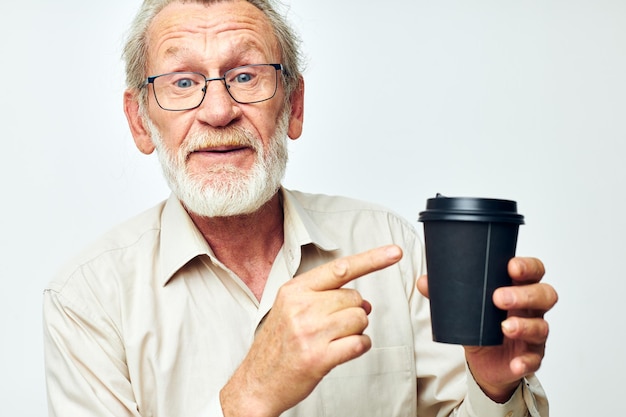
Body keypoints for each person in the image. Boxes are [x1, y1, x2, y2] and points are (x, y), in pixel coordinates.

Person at [42, 0, 558, 416]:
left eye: (246, 76)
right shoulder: (88, 298)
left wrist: (493, 390)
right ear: (139, 122)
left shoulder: (391, 247)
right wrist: (248, 397)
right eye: (183, 82)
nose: (219, 111)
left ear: (294, 106)